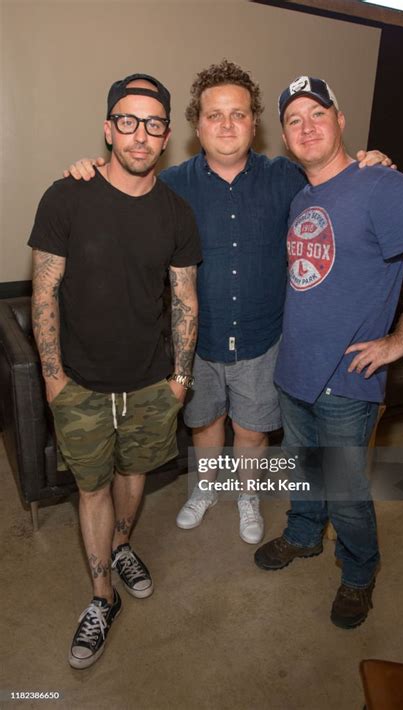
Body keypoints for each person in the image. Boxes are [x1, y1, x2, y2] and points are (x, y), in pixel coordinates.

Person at [64, 60, 392, 545]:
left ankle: (246, 495)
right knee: (204, 422)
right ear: (196, 125)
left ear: (254, 124)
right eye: (215, 115)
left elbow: (336, 173)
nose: (226, 125)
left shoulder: (287, 177)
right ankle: (206, 487)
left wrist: (374, 163)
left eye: (237, 114)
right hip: (196, 340)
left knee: (253, 429)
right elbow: (120, 185)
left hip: (263, 335)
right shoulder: (169, 184)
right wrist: (87, 170)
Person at [254, 76, 403, 628]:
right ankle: (303, 537)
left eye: (317, 113)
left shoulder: (381, 186)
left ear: (340, 120)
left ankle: (359, 572)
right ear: (286, 137)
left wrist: (396, 344)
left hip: (346, 378)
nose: (306, 126)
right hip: (295, 367)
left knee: (345, 491)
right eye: (293, 119)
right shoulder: (304, 195)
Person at [29, 73, 201, 669]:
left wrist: (180, 378)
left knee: (135, 476)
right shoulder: (65, 196)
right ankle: (103, 597)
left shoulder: (177, 213)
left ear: (166, 136)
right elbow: (44, 291)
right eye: (127, 121)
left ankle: (123, 545)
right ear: (108, 128)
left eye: (153, 124)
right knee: (92, 486)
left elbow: (184, 298)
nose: (140, 134)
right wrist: (52, 377)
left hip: (153, 384)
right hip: (78, 384)